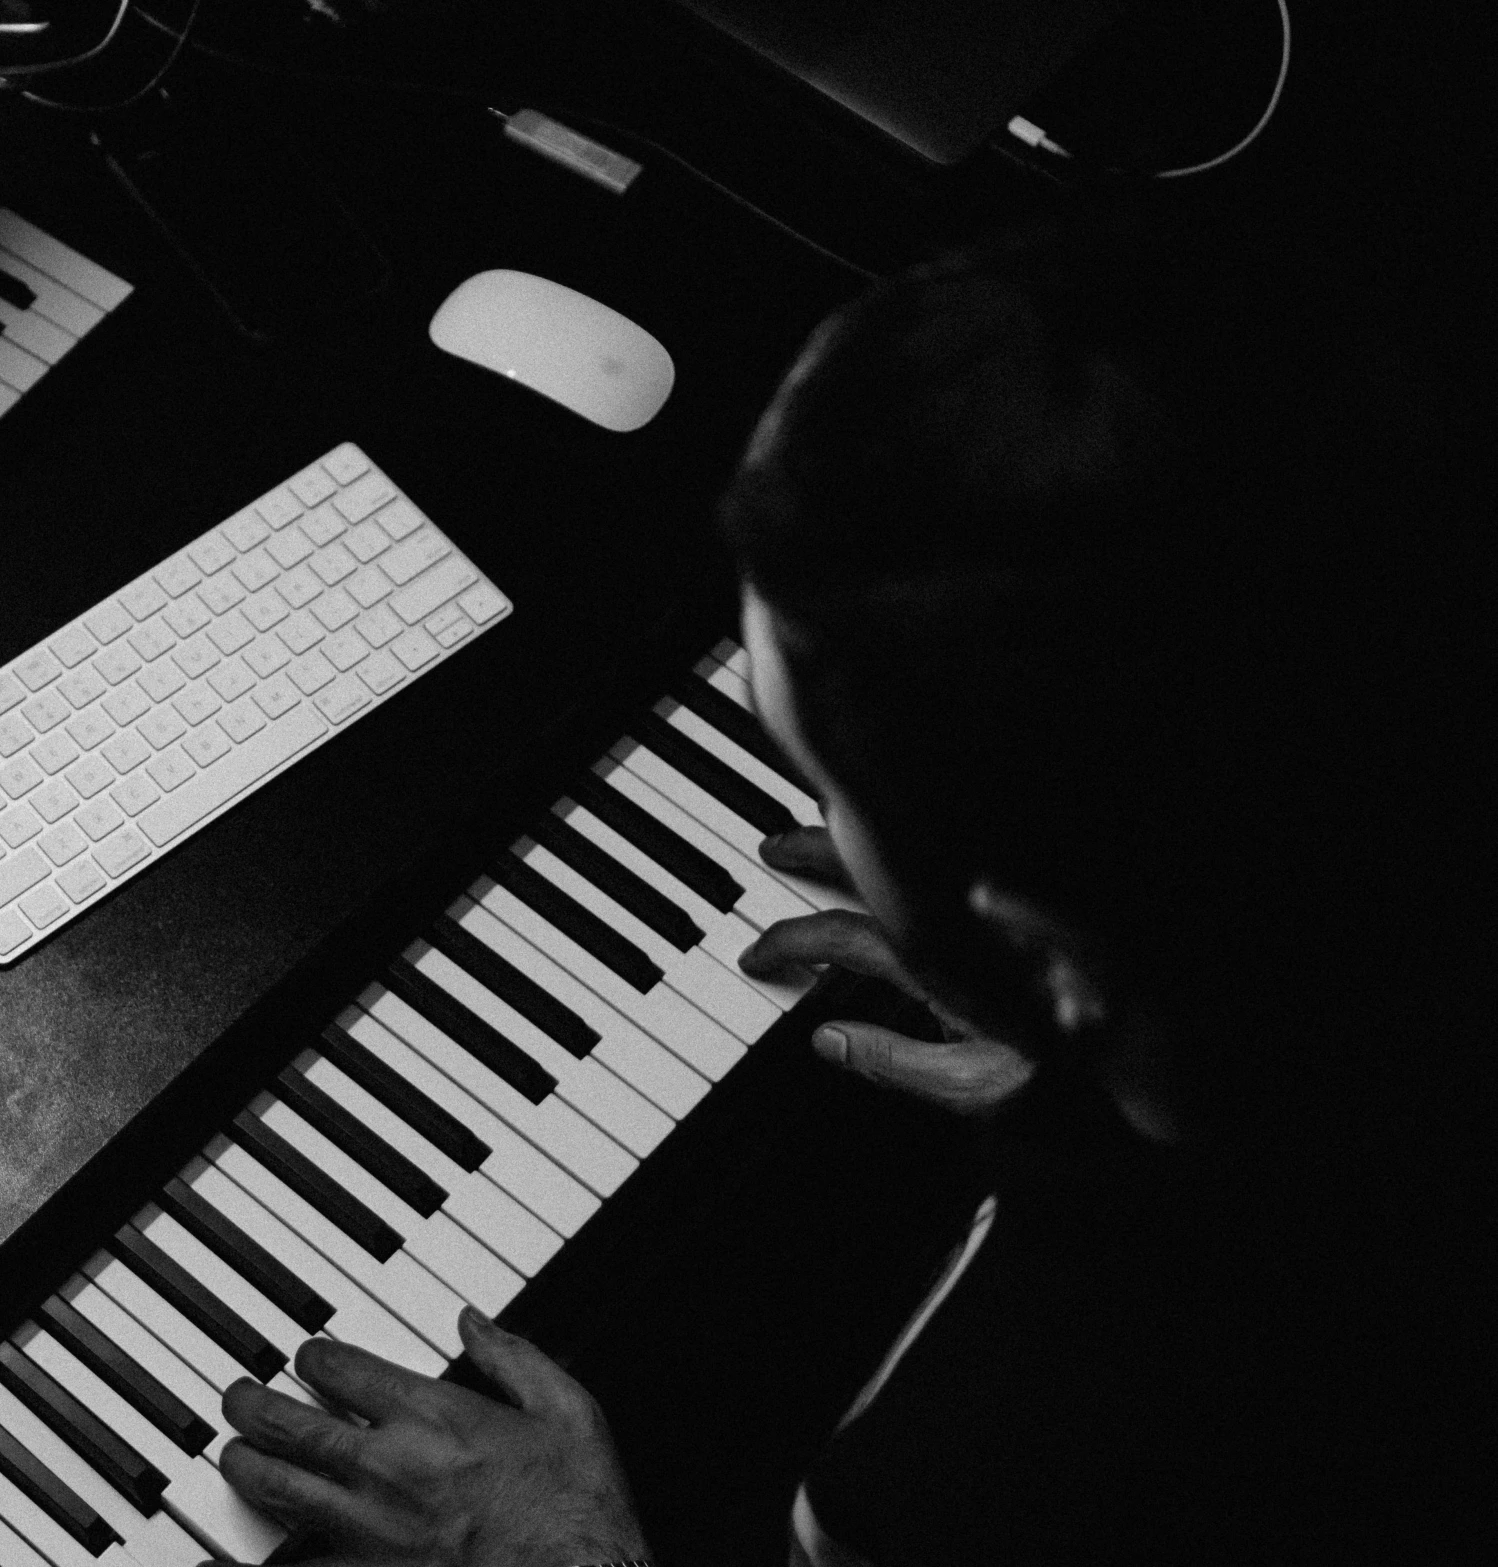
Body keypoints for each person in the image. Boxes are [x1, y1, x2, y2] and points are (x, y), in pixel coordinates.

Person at [211, 225, 1490, 1564]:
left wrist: (565, 1544)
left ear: (1039, 940)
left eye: (815, 767)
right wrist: (1113, 1026)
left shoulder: (1002, 1468)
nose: (815, 810)